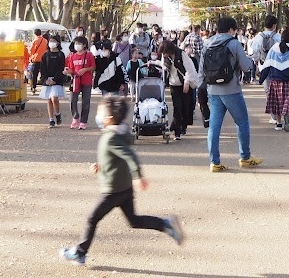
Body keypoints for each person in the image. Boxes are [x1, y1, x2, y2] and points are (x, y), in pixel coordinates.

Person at [59, 96, 184, 266]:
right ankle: (166, 224)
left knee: (92, 219)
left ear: (109, 118)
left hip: (113, 191)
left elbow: (129, 156)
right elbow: (116, 156)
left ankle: (80, 253)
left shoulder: (111, 137)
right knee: (134, 221)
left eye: (101, 113)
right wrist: (101, 165)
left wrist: (138, 176)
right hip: (124, 188)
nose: (98, 116)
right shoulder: (118, 133)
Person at [199, 16, 262, 172]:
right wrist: (249, 61)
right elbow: (246, 67)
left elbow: (201, 70)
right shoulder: (234, 43)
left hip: (213, 90)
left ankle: (214, 162)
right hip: (231, 90)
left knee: (214, 126)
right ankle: (245, 157)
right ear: (231, 29)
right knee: (242, 122)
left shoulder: (207, 43)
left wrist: (202, 90)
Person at [259, 29, 289, 132]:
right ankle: (286, 114)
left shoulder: (273, 50)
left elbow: (267, 66)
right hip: (288, 81)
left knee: (277, 103)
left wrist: (261, 79)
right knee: (286, 100)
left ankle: (278, 123)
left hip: (275, 81)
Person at [161, 40, 197, 140]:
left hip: (184, 83)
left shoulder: (182, 55)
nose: (164, 55)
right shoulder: (165, 57)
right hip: (174, 84)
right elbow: (163, 66)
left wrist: (187, 82)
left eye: (165, 52)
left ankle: (182, 127)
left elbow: (190, 69)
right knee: (177, 107)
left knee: (186, 107)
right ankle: (177, 132)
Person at [65, 36, 96, 129]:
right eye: (76, 44)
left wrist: (85, 69)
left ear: (84, 45)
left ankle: (83, 121)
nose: (77, 45)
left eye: (79, 44)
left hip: (86, 81)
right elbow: (71, 69)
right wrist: (67, 71)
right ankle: (75, 117)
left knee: (86, 102)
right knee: (72, 100)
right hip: (75, 81)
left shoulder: (89, 55)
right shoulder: (72, 56)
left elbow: (93, 67)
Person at [41, 37, 67, 128]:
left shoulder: (60, 54)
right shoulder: (45, 55)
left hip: (57, 79)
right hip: (47, 79)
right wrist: (45, 79)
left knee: (54, 98)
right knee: (49, 99)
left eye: (54, 41)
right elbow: (43, 68)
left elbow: (61, 68)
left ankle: (57, 113)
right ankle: (51, 119)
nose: (51, 43)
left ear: (58, 43)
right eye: (50, 41)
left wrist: (55, 79)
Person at [28, 28, 48, 93]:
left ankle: (34, 87)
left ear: (34, 34)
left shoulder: (34, 41)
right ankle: (45, 87)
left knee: (35, 74)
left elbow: (31, 51)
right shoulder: (45, 40)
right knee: (43, 74)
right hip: (44, 60)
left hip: (36, 60)